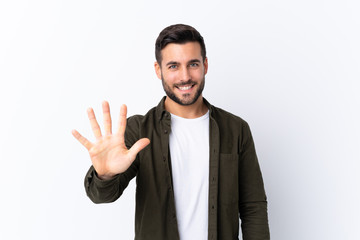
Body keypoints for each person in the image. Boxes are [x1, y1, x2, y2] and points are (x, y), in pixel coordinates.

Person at [72, 24, 270, 240]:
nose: (185, 77)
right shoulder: (138, 130)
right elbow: (101, 195)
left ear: (205, 65)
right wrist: (106, 174)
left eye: (193, 64)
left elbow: (253, 207)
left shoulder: (235, 129)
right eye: (173, 66)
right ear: (158, 70)